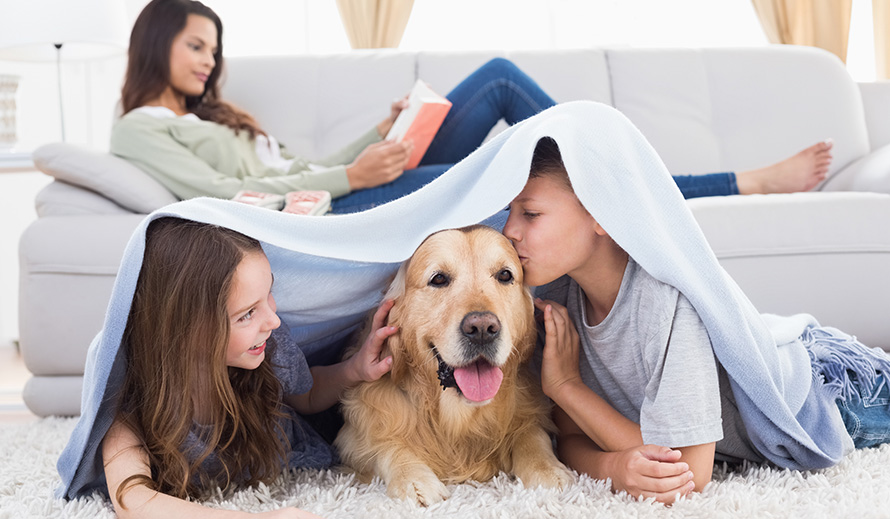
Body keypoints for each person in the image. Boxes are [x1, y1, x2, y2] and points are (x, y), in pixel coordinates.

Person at [112, 0, 834, 215]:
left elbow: (311, 164)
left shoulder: (211, 118)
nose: (208, 62)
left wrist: (383, 132)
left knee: (497, 82)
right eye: (197, 46)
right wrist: (353, 181)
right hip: (344, 210)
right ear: (156, 42)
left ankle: (634, 166)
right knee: (535, 166)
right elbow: (222, 195)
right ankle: (730, 184)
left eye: (213, 49)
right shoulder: (137, 132)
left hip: (352, 183)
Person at [502, 134, 890, 504]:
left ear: (601, 212)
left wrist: (568, 386)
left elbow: (690, 469)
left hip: (831, 395)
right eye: (510, 212)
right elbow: (570, 437)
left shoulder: (662, 297)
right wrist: (612, 467)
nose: (509, 231)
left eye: (530, 213)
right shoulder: (553, 296)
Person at [99, 217, 396, 518]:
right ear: (189, 329)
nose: (273, 321)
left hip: (288, 458)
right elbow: (133, 502)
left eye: (269, 294)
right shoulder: (134, 403)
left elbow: (307, 396)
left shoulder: (269, 347)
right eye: (246, 314)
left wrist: (354, 370)